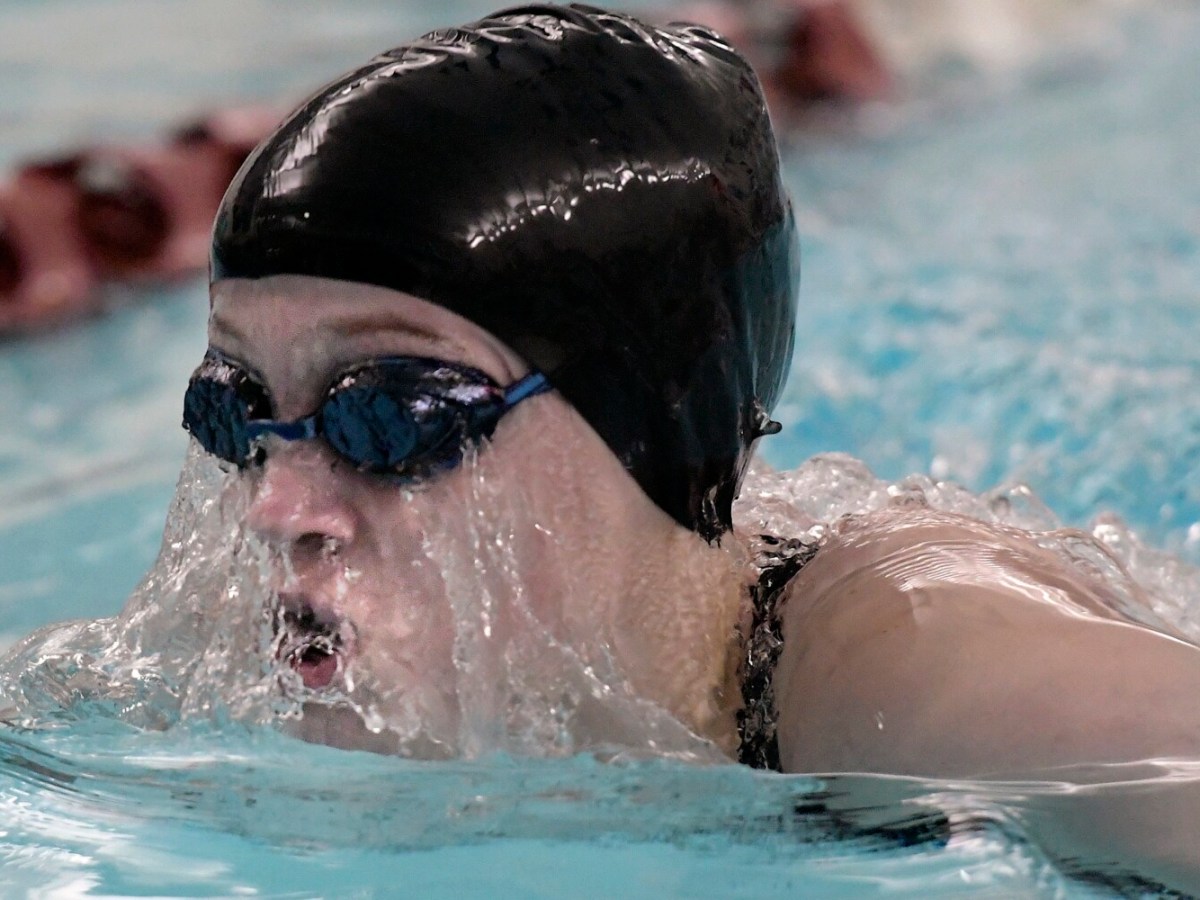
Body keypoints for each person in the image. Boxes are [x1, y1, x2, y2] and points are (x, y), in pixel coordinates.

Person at [184, 2, 1200, 883]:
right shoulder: (243, 646)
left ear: (651, 425)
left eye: (391, 417)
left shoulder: (912, 669)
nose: (277, 507)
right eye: (236, 409)